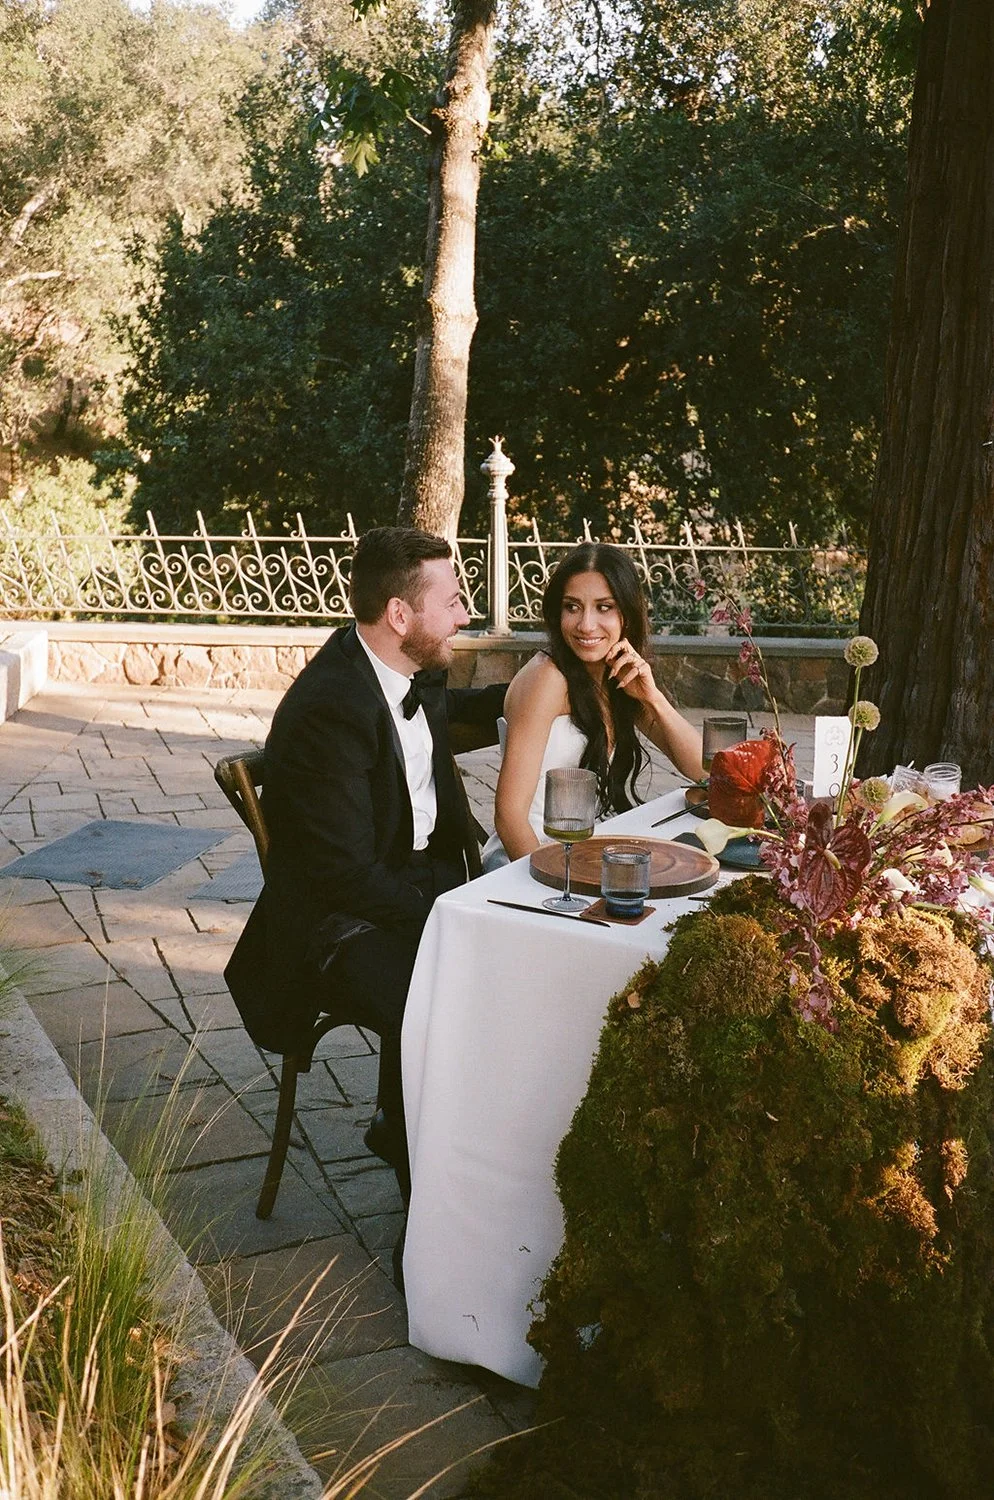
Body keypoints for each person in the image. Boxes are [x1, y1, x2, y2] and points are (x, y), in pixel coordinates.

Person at [225, 527, 506, 1222]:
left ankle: (421, 1134)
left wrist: (543, 685)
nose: (465, 614)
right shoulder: (329, 709)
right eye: (453, 601)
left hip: (404, 886)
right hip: (335, 924)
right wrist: (451, 913)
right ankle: (430, 1215)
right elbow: (346, 878)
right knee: (445, 999)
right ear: (400, 615)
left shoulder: (404, 669)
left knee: (515, 963)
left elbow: (457, 712)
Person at [484, 542, 703, 866]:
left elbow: (702, 770)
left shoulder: (616, 674)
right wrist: (556, 885)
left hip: (584, 853)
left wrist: (652, 698)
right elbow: (510, 817)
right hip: (527, 862)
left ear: (627, 614)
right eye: (572, 607)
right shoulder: (547, 678)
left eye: (604, 607)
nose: (586, 624)